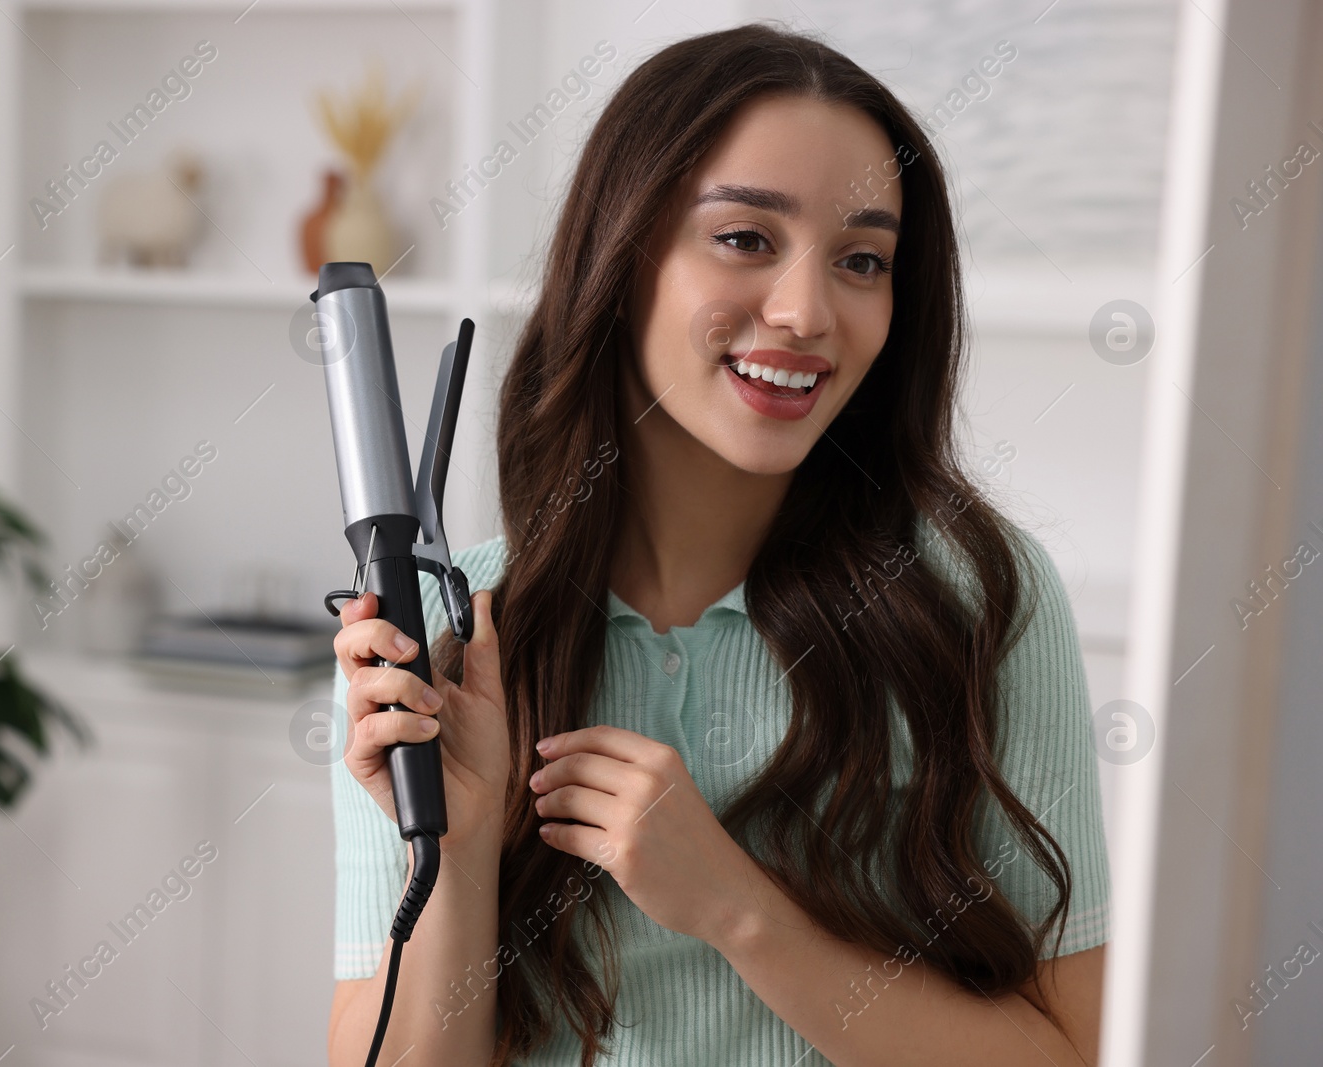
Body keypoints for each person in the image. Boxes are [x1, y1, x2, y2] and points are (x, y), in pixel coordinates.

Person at [326, 22, 1109, 1067]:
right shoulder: (447, 636)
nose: (804, 310)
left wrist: (741, 911)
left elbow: (1073, 1054)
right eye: (744, 238)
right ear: (622, 253)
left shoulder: (976, 597)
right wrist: (458, 851)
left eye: (862, 260)